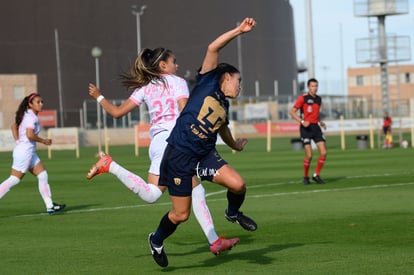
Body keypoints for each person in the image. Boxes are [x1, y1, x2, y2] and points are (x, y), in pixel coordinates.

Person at [86, 48, 239, 256]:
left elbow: (116, 112)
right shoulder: (177, 82)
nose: (177, 65)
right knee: (158, 195)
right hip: (176, 141)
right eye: (174, 61)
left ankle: (214, 241)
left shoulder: (145, 87)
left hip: (158, 142)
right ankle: (110, 166)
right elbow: (186, 111)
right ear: (163, 65)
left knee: (188, 190)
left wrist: (99, 96)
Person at [148, 17, 258, 268]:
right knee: (181, 215)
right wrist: (239, 31)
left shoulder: (224, 104)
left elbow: (223, 127)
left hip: (204, 155)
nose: (240, 87)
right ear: (227, 76)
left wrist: (234, 145)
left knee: (238, 184)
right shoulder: (208, 79)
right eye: (238, 81)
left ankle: (232, 213)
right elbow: (213, 48)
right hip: (180, 154)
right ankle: (156, 239)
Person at [0, 93, 66, 214]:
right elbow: (30, 135)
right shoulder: (31, 117)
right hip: (24, 153)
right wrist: (43, 140)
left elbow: (14, 126)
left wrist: (18, 141)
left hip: (28, 152)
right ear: (30, 104)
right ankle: (50, 205)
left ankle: (50, 206)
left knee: (43, 175)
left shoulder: (27, 115)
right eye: (38, 102)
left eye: (42, 102)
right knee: (14, 179)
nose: (41, 104)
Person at [289, 78, 327, 185]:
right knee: (309, 155)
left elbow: (316, 113)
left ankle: (316, 175)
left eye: (316, 86)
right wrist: (301, 121)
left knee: (324, 152)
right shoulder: (303, 98)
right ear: (308, 87)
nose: (315, 88)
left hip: (316, 128)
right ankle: (305, 176)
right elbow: (292, 112)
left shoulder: (319, 99)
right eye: (313, 86)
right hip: (306, 129)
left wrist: (321, 122)